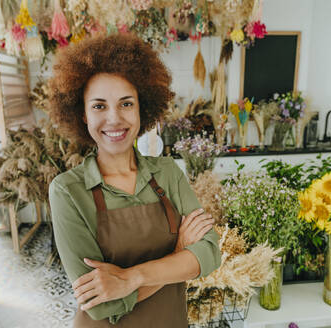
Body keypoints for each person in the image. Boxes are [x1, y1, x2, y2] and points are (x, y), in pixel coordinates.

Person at [48, 33, 221, 327]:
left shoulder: (167, 172)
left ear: (142, 109)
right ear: (83, 115)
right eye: (99, 106)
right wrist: (179, 255)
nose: (114, 119)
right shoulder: (68, 191)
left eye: (126, 104)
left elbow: (209, 253)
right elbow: (101, 305)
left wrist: (130, 277)